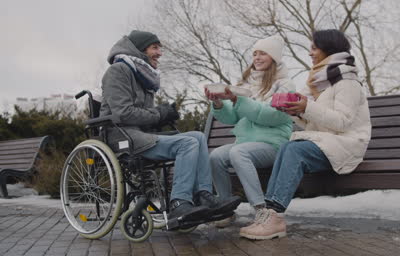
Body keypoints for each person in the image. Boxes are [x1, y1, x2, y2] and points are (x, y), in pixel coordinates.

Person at [239, 29, 372, 240]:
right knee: (288, 147)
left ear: (328, 49)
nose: (310, 53)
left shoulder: (347, 81)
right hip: (328, 142)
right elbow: (317, 121)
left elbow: (342, 122)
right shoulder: (321, 81)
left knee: (296, 151)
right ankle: (269, 215)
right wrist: (297, 111)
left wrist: (307, 106)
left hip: (346, 144)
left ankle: (275, 217)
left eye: (314, 48)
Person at [99, 30, 240, 225]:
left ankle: (203, 194)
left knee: (198, 137)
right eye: (154, 48)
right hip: (123, 138)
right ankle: (179, 202)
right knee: (187, 144)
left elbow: (144, 115)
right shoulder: (118, 71)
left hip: (141, 135)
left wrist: (162, 114)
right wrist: (159, 114)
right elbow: (123, 113)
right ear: (140, 50)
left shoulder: (142, 75)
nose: (160, 53)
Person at [205, 35, 295, 230]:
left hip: (274, 144)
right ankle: (226, 209)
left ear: (274, 57)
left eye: (262, 53)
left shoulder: (285, 84)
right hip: (246, 143)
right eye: (254, 53)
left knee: (239, 152)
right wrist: (218, 102)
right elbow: (232, 117)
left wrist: (239, 101)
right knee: (216, 157)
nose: (257, 57)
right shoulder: (247, 84)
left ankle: (261, 210)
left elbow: (274, 117)